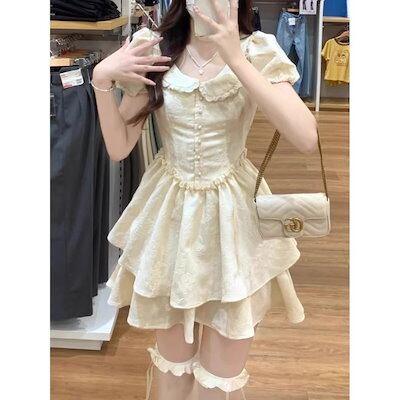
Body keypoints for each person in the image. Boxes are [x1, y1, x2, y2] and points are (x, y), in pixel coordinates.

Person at [91, 0, 318, 399]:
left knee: (218, 378)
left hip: (235, 220)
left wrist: (236, 58)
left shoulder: (257, 49)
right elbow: (119, 145)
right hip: (170, 221)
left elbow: (305, 138)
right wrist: (100, 81)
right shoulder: (154, 46)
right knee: (173, 371)